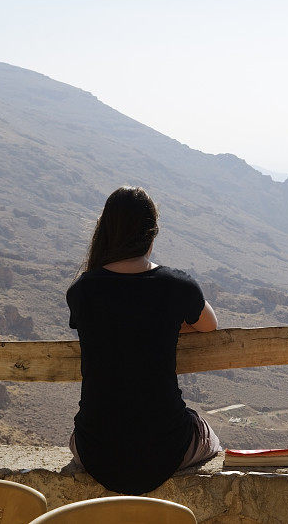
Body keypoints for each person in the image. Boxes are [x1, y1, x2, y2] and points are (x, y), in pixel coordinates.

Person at [65, 186, 222, 495]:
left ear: (106, 232)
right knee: (209, 436)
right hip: (166, 450)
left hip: (95, 451)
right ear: (152, 234)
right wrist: (165, 325)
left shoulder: (83, 291)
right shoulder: (176, 286)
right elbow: (209, 325)